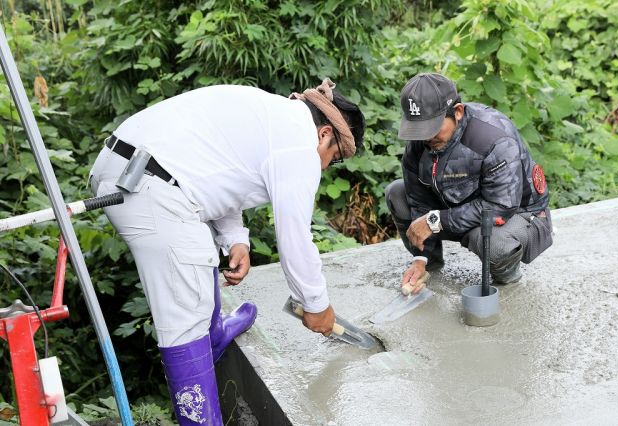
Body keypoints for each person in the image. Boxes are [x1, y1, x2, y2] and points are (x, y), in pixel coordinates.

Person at [88, 78, 365, 425]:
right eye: (333, 158)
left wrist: (235, 238)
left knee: (196, 252)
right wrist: (316, 305)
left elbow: (215, 173)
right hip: (146, 185)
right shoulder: (299, 145)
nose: (325, 167)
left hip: (130, 166)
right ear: (325, 134)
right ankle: (201, 417)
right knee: (185, 314)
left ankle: (214, 337)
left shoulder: (274, 116)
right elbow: (294, 237)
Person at [385, 72, 552, 295]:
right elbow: (418, 200)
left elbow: (499, 207)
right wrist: (420, 258)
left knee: (491, 242)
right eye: (419, 130)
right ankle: (430, 265)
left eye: (432, 128)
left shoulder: (494, 137)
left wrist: (435, 221)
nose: (426, 138)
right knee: (397, 193)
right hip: (457, 207)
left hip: (518, 214)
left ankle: (507, 276)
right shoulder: (422, 141)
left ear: (458, 112)